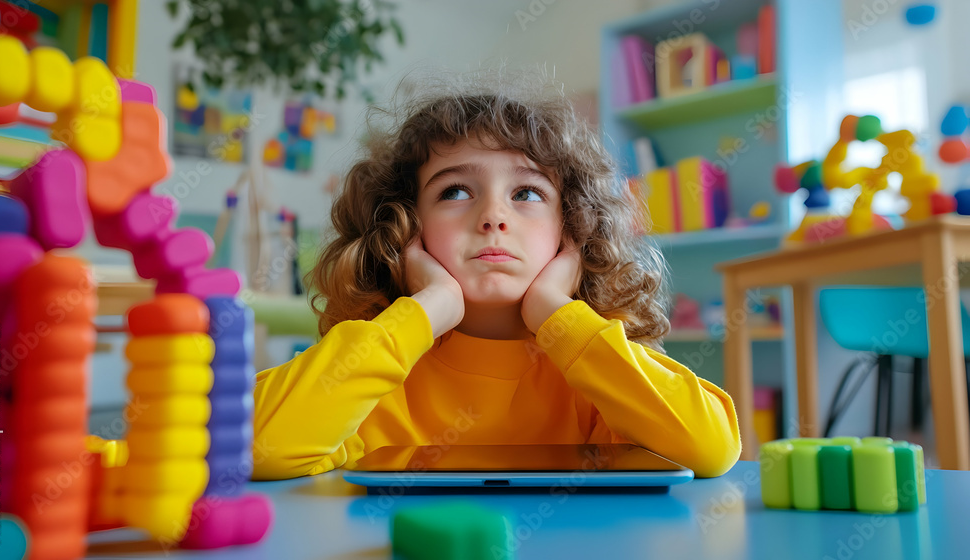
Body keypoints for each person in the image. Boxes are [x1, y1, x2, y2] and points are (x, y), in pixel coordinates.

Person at [252, 73, 740, 480]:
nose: (493, 216)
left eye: (526, 193)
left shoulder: (592, 368)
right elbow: (256, 446)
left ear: (570, 226)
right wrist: (427, 309)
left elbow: (710, 446)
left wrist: (557, 313)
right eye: (456, 191)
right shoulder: (378, 364)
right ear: (404, 224)